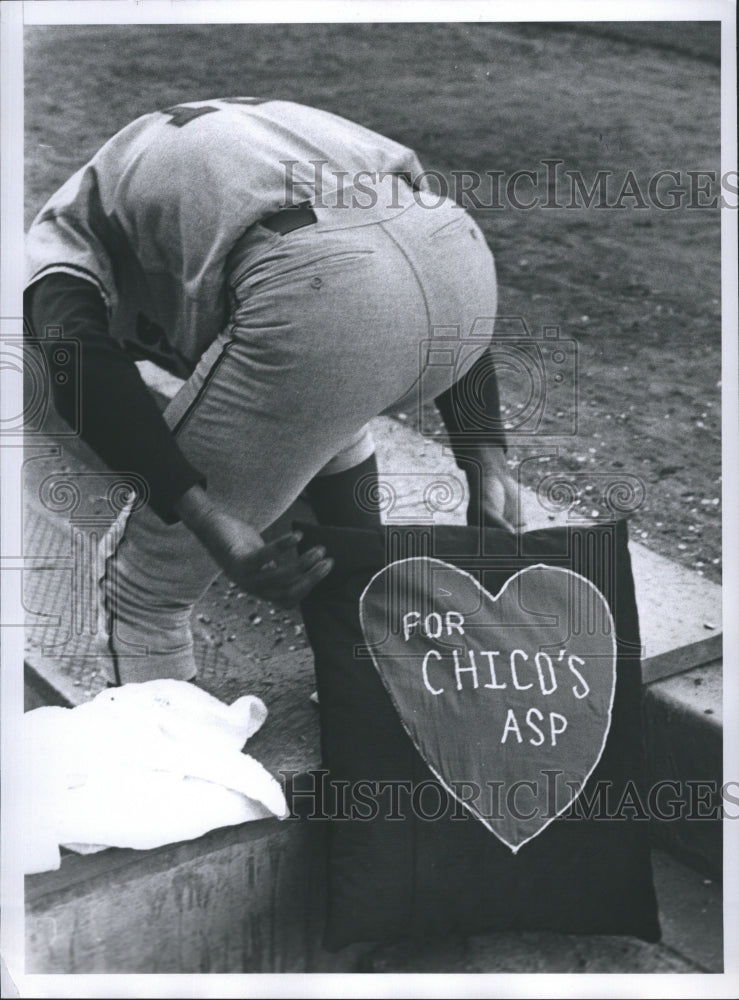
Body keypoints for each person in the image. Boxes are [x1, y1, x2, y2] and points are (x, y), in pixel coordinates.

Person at [24, 97, 518, 685]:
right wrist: (486, 461)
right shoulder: (209, 139)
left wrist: (206, 519)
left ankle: (185, 775)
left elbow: (77, 360)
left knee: (142, 594)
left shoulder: (58, 236)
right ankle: (377, 694)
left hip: (322, 290)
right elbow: (406, 268)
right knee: (326, 389)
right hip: (458, 254)